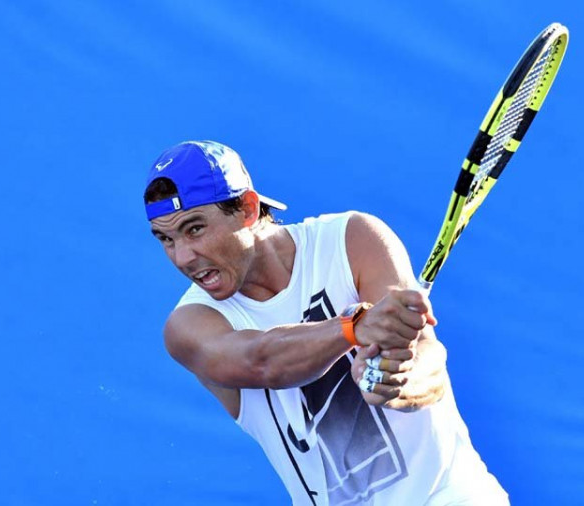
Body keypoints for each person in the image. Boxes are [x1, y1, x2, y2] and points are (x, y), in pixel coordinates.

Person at [144, 140, 508, 505]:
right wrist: (352, 328)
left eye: (194, 229)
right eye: (165, 239)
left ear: (248, 208)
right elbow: (261, 360)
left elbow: (427, 358)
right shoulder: (189, 326)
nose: (183, 257)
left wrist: (400, 382)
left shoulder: (352, 240)